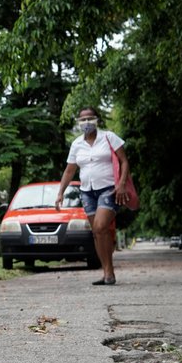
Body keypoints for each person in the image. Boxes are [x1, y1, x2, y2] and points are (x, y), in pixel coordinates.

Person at [55, 106, 131, 285]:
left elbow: (124, 161)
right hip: (86, 191)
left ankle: (109, 272)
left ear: (97, 119)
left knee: (100, 226)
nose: (86, 122)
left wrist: (121, 184)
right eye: (82, 120)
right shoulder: (76, 144)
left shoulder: (109, 137)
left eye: (90, 118)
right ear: (78, 123)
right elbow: (69, 171)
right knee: (97, 233)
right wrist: (60, 193)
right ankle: (107, 272)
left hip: (109, 189)